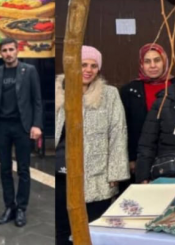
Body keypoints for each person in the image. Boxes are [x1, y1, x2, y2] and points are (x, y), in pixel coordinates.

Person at [55, 46, 129, 245]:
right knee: (62, 227)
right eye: (83, 64)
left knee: (93, 228)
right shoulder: (59, 90)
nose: (88, 70)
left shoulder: (109, 94)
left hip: (97, 173)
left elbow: (118, 132)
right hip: (62, 172)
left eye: (93, 66)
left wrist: (115, 173)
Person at [0, 38, 43, 228]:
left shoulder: (29, 71)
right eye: (4, 50)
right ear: (0, 53)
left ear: (17, 50)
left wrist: (37, 125)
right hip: (2, 126)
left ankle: (21, 208)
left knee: (23, 169)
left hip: (22, 126)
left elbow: (37, 100)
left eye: (11, 49)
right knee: (4, 169)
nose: (8, 53)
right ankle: (9, 206)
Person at [119, 43, 175, 181]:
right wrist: (131, 157)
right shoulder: (129, 91)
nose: (152, 65)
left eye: (157, 60)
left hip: (172, 158)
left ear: (164, 61)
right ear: (141, 64)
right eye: (147, 61)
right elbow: (123, 128)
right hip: (140, 158)